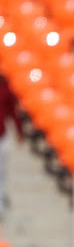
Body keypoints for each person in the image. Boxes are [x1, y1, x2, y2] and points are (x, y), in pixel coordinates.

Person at [0, 73, 23, 220]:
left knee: (2, 174)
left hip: (2, 137)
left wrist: (19, 130)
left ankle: (1, 204)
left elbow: (13, 111)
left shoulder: (5, 88)